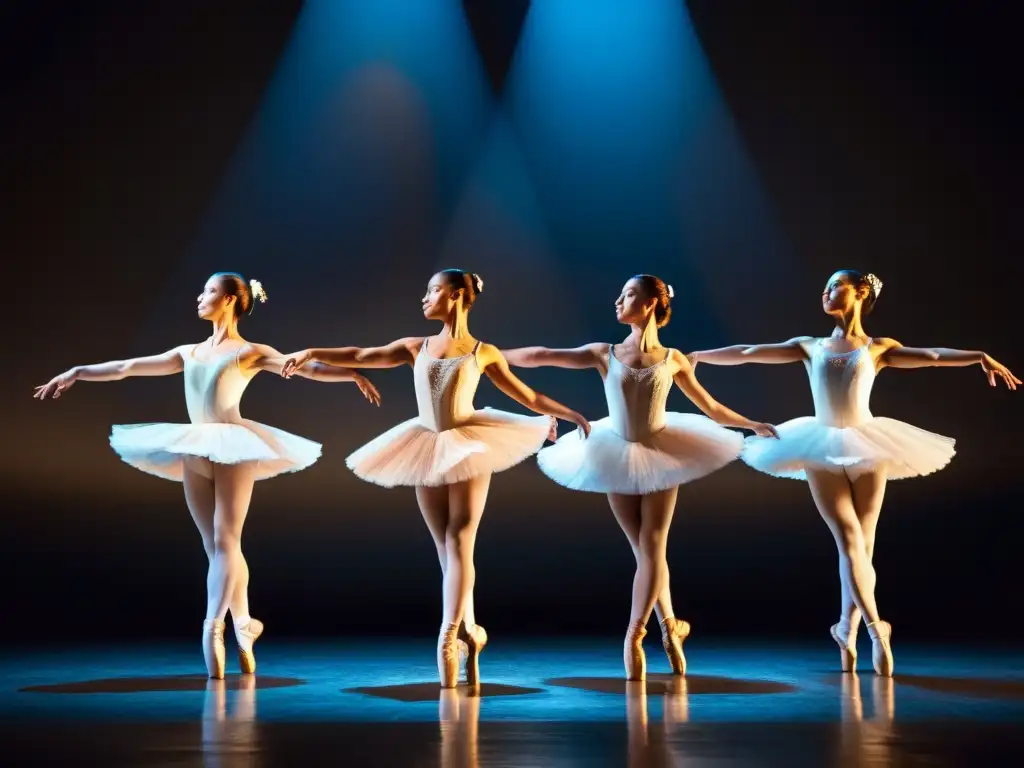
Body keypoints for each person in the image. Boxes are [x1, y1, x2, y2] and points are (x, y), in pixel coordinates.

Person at [34, 272, 381, 678]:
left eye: (210, 291)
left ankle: (213, 628)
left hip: (235, 443)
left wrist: (350, 374)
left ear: (232, 300)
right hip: (195, 444)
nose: (200, 297)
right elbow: (127, 367)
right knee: (215, 547)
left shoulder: (249, 351)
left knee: (226, 538)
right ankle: (245, 625)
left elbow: (305, 368)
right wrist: (77, 371)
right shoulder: (188, 352)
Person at [689, 270, 1018, 676]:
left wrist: (978, 356)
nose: (825, 292)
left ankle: (846, 629)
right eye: (824, 287)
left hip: (868, 444)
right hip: (819, 444)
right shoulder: (809, 346)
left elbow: (931, 356)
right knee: (849, 540)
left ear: (860, 293)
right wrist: (701, 356)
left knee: (864, 544)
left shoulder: (879, 348)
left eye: (835, 286)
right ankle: (879, 632)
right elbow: (749, 350)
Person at [281, 269, 591, 688]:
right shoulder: (416, 346)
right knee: (445, 548)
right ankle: (470, 630)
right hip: (426, 443)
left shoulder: (483, 352)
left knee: (462, 537)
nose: (425, 298)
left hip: (470, 441)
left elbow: (528, 395)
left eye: (433, 290)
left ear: (459, 296)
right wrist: (311, 350)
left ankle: (448, 636)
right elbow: (362, 353)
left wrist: (572, 414)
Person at [503, 274, 778, 680]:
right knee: (646, 552)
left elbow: (712, 407)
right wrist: (492, 355)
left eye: (628, 294)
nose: (617, 300)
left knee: (652, 544)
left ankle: (634, 636)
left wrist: (751, 423)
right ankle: (671, 626)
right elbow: (544, 354)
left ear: (650, 304)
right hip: (613, 450)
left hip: (663, 453)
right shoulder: (604, 353)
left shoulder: (673, 359)